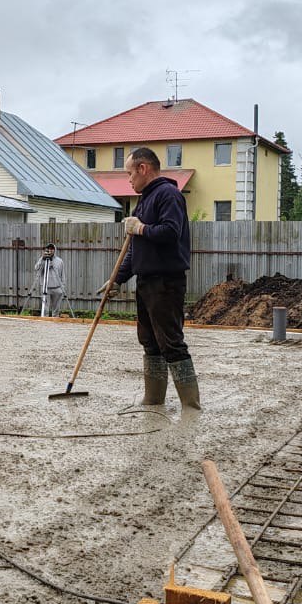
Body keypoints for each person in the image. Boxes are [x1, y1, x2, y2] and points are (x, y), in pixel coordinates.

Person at [100, 147, 199, 409]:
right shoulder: (145, 200)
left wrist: (141, 227)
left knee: (171, 342)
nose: (128, 180)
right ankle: (154, 399)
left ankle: (191, 406)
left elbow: (171, 232)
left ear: (143, 168)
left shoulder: (168, 195)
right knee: (149, 341)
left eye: (130, 173)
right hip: (146, 282)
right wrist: (117, 279)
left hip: (166, 282)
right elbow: (135, 250)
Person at [34, 243, 67, 317]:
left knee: (56, 308)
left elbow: (62, 274)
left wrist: (63, 286)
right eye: (49, 249)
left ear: (54, 250)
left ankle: (55, 320)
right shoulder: (42, 259)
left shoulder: (59, 261)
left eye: (52, 249)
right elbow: (36, 268)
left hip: (57, 288)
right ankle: (45, 319)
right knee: (45, 307)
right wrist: (42, 259)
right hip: (46, 287)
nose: (50, 250)